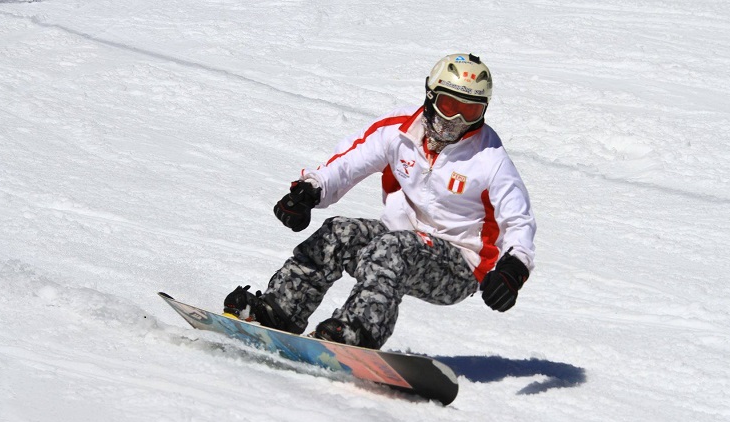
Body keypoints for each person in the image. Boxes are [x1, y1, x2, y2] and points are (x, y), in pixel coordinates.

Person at [224, 53, 536, 350]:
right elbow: (348, 163)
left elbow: (518, 220)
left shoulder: (490, 159)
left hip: (458, 266)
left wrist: (513, 270)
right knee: (339, 232)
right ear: (431, 96)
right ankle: (279, 310)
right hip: (398, 242)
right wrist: (309, 191)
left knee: (395, 247)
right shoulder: (399, 131)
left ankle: (358, 331)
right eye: (449, 105)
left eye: (470, 111)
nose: (456, 120)